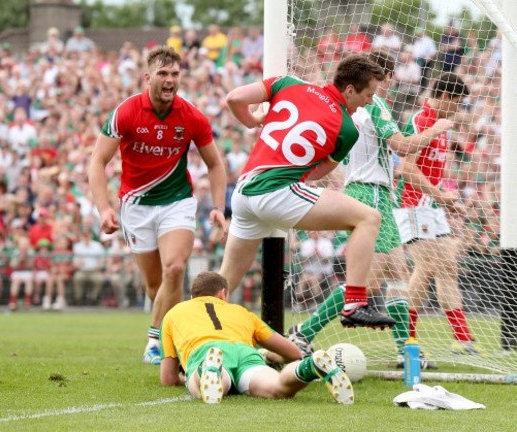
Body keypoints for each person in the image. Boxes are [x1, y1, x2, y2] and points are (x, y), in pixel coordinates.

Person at [288, 51, 453, 365]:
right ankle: (304, 332)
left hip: (369, 192)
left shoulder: (352, 109)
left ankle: (406, 350)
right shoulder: (375, 104)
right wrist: (437, 129)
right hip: (371, 194)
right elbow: (401, 146)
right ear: (385, 78)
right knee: (367, 281)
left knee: (397, 274)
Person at [218, 54, 394, 329]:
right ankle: (355, 304)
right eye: (368, 95)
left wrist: (253, 121)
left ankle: (191, 334)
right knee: (368, 218)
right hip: (277, 193)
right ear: (350, 90)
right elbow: (317, 172)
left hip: (244, 192)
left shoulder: (287, 83)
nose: (369, 101)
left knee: (225, 279)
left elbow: (234, 98)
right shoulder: (348, 129)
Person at [89, 45, 228, 365]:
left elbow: (215, 165)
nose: (170, 80)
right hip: (135, 207)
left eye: (175, 74)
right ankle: (174, 340)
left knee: (175, 268)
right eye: (163, 74)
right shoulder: (126, 111)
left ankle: (155, 341)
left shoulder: (191, 115)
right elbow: (98, 161)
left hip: (176, 203)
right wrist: (103, 208)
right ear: (147, 77)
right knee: (157, 286)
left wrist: (218, 206)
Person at [160, 271, 354, 404]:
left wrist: (182, 377)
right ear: (223, 294)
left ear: (193, 296)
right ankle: (310, 366)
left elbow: (168, 378)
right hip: (245, 355)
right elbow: (293, 352)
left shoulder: (173, 313)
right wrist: (269, 355)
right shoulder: (242, 312)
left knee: (209, 386)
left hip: (204, 349)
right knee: (279, 389)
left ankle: (206, 370)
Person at [393, 72, 480, 355]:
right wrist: (439, 195)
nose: (458, 108)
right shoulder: (421, 120)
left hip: (430, 205)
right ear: (444, 97)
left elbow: (433, 172)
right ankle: (409, 339)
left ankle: (461, 337)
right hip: (412, 203)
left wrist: (446, 200)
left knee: (446, 267)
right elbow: (406, 168)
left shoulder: (443, 126)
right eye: (456, 102)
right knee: (429, 267)